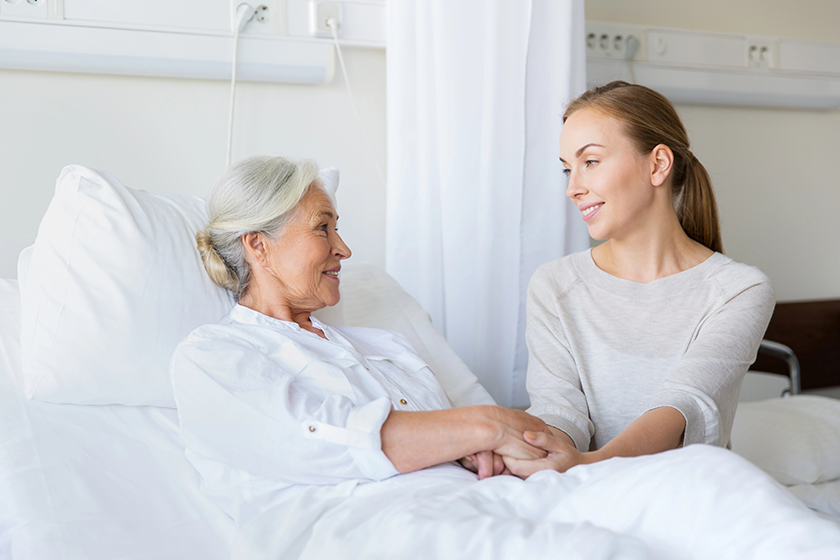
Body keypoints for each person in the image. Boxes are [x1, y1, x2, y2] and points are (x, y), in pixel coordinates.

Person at [171, 154, 839, 559]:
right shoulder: (215, 357)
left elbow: (456, 440)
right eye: (324, 229)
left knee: (705, 480)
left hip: (495, 496)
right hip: (373, 525)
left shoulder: (380, 347)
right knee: (598, 551)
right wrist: (486, 426)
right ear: (257, 245)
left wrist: (486, 448)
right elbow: (329, 443)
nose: (344, 249)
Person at [509, 81, 776, 478]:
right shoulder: (555, 285)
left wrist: (589, 466)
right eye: (567, 168)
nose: (572, 188)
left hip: (687, 493)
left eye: (590, 162)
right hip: (583, 490)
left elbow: (683, 406)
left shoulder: (739, 290)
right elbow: (559, 410)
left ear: (658, 165)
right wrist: (545, 453)